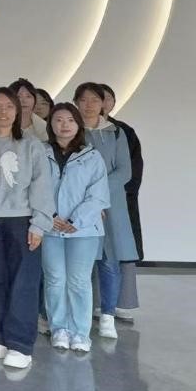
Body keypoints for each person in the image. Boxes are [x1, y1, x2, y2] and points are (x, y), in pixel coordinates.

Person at [0, 86, 55, 370]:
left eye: (9, 106)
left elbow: (42, 186)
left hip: (22, 221)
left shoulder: (31, 145)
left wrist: (39, 224)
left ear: (18, 110)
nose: (4, 112)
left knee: (23, 282)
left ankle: (20, 344)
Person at [42, 102, 110, 354]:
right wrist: (49, 216)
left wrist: (76, 221)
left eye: (70, 120)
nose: (65, 125)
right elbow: (34, 187)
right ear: (50, 124)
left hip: (83, 230)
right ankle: (59, 328)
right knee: (54, 279)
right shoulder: (40, 153)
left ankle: (80, 332)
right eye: (59, 120)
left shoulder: (92, 156)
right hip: (49, 227)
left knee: (79, 281)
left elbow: (98, 195)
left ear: (78, 125)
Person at [74, 82, 137, 340]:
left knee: (109, 262)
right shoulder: (71, 130)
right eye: (83, 100)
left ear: (104, 104)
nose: (89, 105)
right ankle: (81, 315)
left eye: (94, 100)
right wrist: (87, 201)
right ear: (76, 103)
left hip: (110, 206)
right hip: (77, 205)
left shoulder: (116, 133)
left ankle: (108, 315)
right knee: (80, 262)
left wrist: (96, 197)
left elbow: (125, 171)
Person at [101, 82, 143, 320]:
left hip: (119, 200)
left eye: (105, 98)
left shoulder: (122, 131)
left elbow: (131, 171)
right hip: (85, 204)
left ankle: (122, 303)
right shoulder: (77, 129)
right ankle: (98, 303)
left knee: (120, 251)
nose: (100, 103)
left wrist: (111, 194)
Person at [10, 78, 47, 142]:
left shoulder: (44, 127)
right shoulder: (1, 124)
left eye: (28, 96)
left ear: (35, 100)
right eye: (18, 97)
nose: (24, 101)